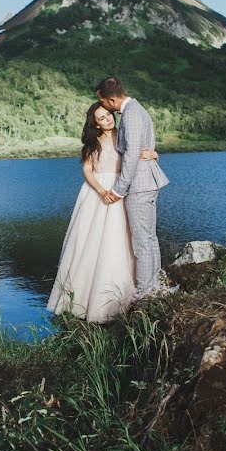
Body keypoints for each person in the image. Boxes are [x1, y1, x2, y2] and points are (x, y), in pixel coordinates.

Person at [46, 102, 159, 323]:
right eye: (101, 117)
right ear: (94, 123)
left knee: (123, 240)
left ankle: (129, 294)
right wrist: (101, 191)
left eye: (108, 114)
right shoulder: (92, 142)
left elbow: (140, 155)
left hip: (123, 187)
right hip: (99, 191)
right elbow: (87, 170)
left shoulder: (124, 135)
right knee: (92, 242)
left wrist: (154, 154)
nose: (107, 119)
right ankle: (83, 301)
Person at [97, 76, 170, 298]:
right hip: (144, 182)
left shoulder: (132, 115)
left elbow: (131, 156)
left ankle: (146, 292)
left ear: (111, 99)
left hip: (139, 185)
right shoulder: (134, 111)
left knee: (142, 241)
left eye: (102, 102)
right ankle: (155, 285)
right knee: (148, 237)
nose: (103, 106)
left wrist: (119, 189)